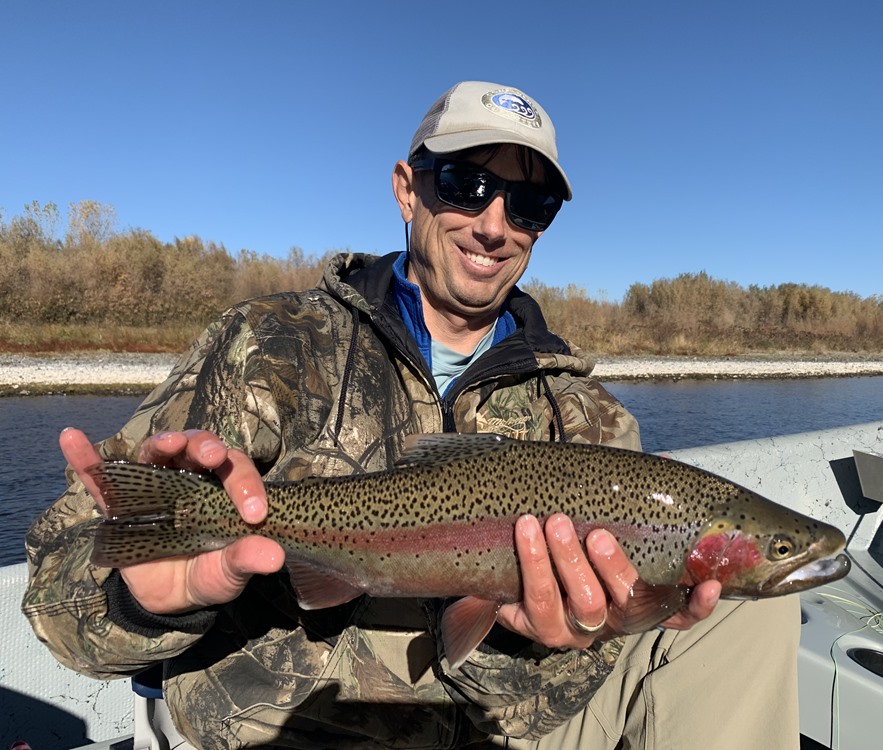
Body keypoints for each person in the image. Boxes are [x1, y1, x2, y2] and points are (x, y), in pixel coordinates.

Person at [22, 81, 801, 749]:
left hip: (501, 732)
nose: (495, 225)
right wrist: (147, 600)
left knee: (756, 612)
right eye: (465, 184)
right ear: (406, 186)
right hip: (285, 732)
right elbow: (60, 589)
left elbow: (545, 690)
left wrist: (568, 641)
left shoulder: (588, 420)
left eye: (529, 204)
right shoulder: (268, 348)